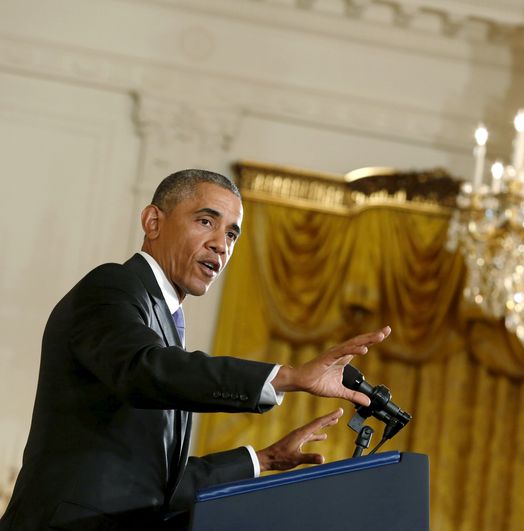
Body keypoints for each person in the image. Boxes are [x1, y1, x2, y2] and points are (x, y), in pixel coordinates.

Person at [0, 169, 391, 530]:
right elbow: (144, 369)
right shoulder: (112, 287)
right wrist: (286, 377)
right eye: (206, 221)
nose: (221, 244)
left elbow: (159, 487)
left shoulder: (166, 325)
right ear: (153, 222)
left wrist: (265, 460)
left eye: (232, 234)